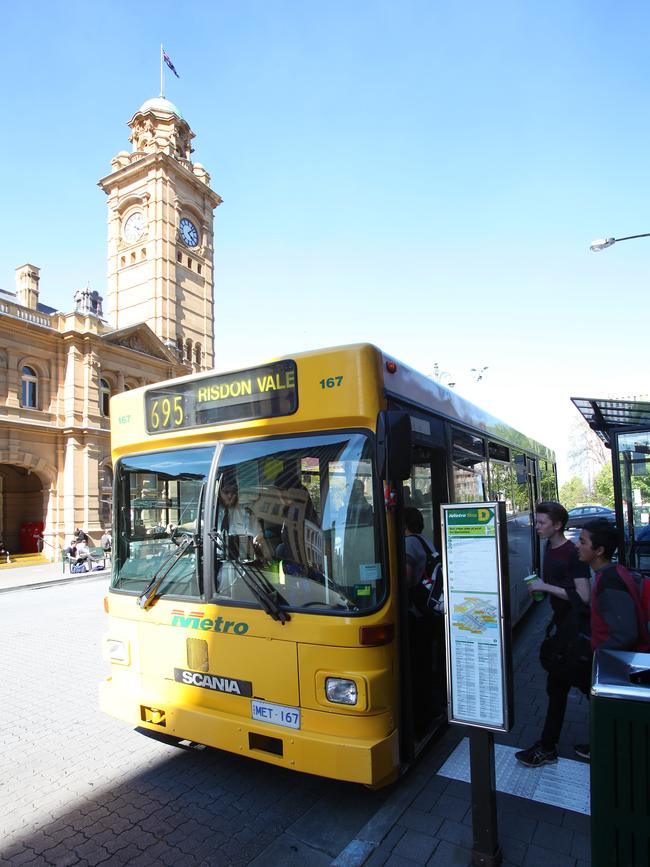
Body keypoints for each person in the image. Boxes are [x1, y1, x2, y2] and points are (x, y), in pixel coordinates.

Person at [515, 501, 591, 768]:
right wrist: (541, 588)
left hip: (573, 630)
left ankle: (549, 747)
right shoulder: (549, 546)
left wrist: (545, 586)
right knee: (563, 687)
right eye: (536, 522)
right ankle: (549, 746)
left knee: (568, 685)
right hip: (563, 626)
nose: (536, 527)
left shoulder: (572, 553)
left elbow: (584, 596)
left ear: (557, 525)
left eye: (541, 523)